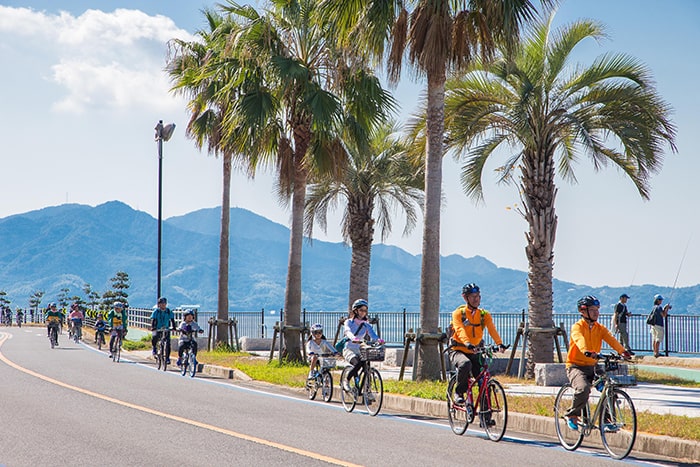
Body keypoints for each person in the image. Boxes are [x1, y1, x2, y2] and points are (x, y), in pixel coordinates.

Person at [564, 295, 632, 431]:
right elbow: (579, 339)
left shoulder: (599, 328)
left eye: (597, 309)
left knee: (609, 389)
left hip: (593, 367)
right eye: (592, 309)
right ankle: (572, 415)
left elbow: (611, 339)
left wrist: (623, 351)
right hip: (576, 366)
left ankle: (606, 419)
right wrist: (586, 351)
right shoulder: (577, 327)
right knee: (583, 389)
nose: (596, 312)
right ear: (583, 311)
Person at [447, 283, 506, 406]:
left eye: (478, 296)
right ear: (465, 298)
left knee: (484, 380)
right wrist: (467, 343)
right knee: (465, 363)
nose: (476, 299)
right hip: (458, 350)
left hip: (475, 352)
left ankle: (486, 416)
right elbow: (459, 329)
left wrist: (500, 343)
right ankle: (459, 392)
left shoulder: (484, 315)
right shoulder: (458, 313)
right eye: (473, 296)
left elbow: (492, 329)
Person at [341, 299, 383, 392]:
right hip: (349, 349)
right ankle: (346, 381)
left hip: (360, 350)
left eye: (365, 310)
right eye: (361, 310)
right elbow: (347, 331)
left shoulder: (366, 325)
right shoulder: (349, 322)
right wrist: (353, 338)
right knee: (357, 363)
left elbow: (373, 335)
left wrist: (379, 340)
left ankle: (367, 390)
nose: (363, 312)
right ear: (355, 310)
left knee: (367, 368)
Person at [151, 297, 176, 364]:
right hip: (158, 328)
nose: (163, 305)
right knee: (155, 337)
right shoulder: (156, 311)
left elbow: (172, 320)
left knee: (168, 343)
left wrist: (174, 327)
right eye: (161, 303)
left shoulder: (168, 311)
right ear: (159, 304)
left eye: (164, 303)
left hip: (166, 328)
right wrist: (153, 327)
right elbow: (153, 320)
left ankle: (167, 358)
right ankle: (154, 348)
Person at [649, 294, 671, 358]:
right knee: (658, 339)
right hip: (659, 325)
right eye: (660, 300)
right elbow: (663, 315)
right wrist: (666, 309)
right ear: (658, 300)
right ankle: (657, 352)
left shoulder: (654, 307)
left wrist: (665, 308)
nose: (661, 301)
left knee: (654, 338)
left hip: (653, 325)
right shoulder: (659, 307)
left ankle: (654, 352)